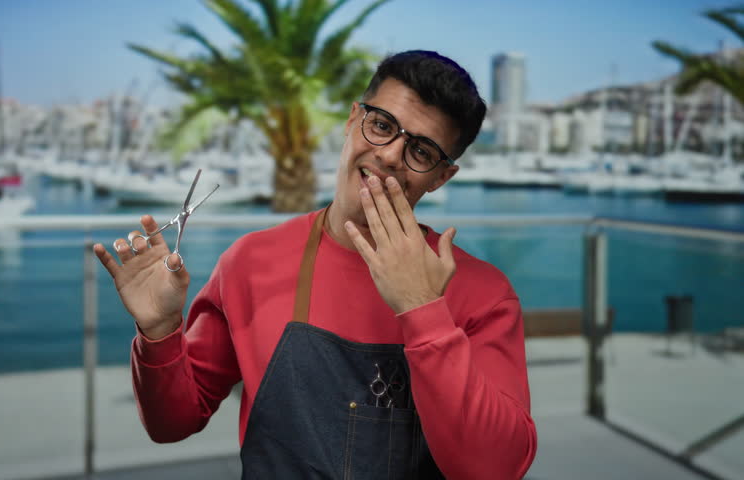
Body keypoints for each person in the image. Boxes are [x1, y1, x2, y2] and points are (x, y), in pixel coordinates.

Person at [94, 50, 537, 479]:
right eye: (381, 125)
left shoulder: (484, 295)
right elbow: (172, 424)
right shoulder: (250, 262)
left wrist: (423, 308)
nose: (387, 155)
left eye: (420, 151)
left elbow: (494, 470)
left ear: (441, 177)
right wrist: (159, 332)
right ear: (351, 121)